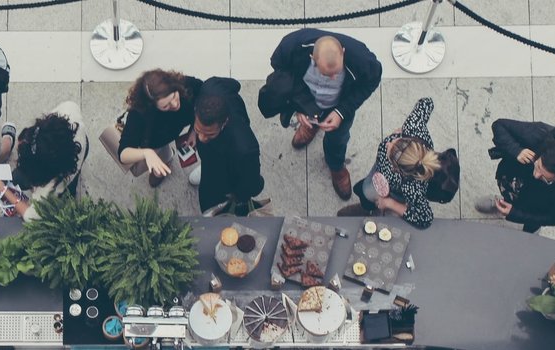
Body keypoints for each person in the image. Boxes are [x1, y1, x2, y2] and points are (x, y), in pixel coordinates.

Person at [263, 30, 382, 200]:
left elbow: (372, 80)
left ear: (344, 53)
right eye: (326, 74)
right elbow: (281, 72)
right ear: (312, 58)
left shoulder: (363, 60)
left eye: (337, 72)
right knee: (310, 122)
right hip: (308, 101)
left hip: (339, 106)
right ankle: (311, 128)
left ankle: (336, 166)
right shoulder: (292, 47)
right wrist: (299, 106)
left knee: (338, 139)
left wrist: (342, 112)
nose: (333, 78)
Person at [338, 97, 453, 229]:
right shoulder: (413, 127)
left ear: (398, 170)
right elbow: (427, 102)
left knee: (370, 195)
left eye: (390, 152)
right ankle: (367, 206)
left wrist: (390, 203)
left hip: (393, 190)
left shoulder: (412, 188)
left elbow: (425, 219)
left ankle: (371, 209)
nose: (388, 143)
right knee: (366, 190)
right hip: (380, 171)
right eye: (397, 141)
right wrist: (403, 129)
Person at [0, 101, 88, 221]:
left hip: (56, 179)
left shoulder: (47, 193)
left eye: (20, 157)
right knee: (71, 183)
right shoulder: (70, 111)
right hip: (80, 151)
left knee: (17, 179)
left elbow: (31, 217)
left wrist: (3, 189)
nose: (16, 159)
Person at [190, 77, 265, 216]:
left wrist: (237, 196)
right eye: (199, 130)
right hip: (212, 157)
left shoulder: (245, 149)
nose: (202, 138)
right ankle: (205, 168)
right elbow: (235, 85)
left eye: (209, 134)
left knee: (209, 205)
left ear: (224, 123)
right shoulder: (210, 86)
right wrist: (193, 131)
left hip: (227, 170)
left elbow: (252, 183)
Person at [116, 69, 203, 188]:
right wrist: (147, 153)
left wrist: (195, 129)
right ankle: (166, 158)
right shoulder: (139, 113)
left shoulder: (187, 85)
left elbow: (204, 99)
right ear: (152, 106)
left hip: (174, 131)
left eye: (174, 96)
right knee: (160, 160)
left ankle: (165, 158)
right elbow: (123, 154)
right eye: (165, 106)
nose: (174, 104)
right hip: (155, 142)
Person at [476, 119, 555, 233]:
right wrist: (516, 150)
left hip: (536, 208)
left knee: (530, 230)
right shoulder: (541, 136)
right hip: (513, 177)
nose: (536, 175)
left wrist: (514, 214)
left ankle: (531, 230)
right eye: (537, 165)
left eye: (545, 178)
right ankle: (502, 202)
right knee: (510, 195)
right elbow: (499, 125)